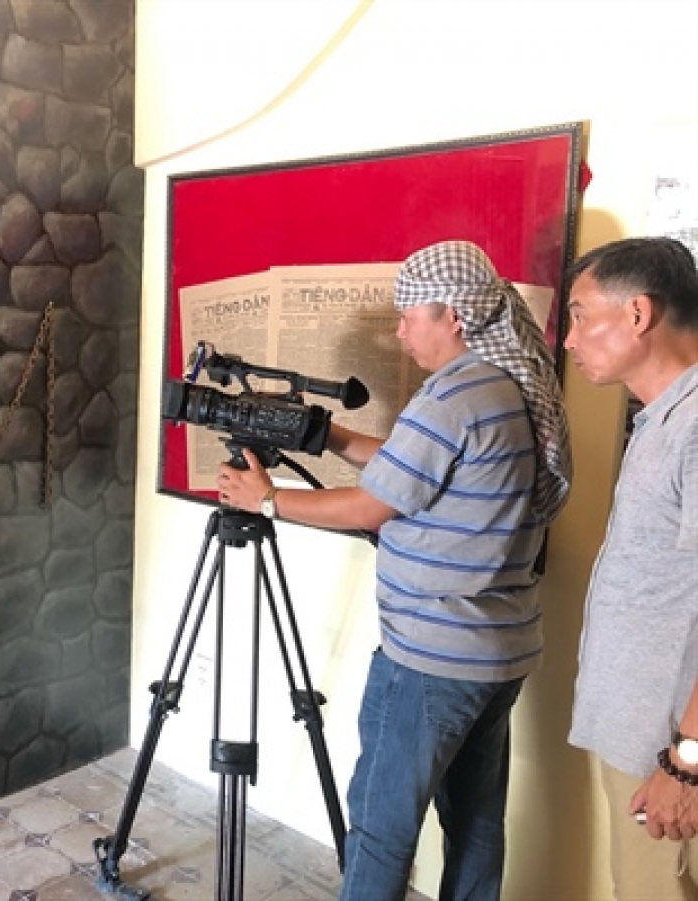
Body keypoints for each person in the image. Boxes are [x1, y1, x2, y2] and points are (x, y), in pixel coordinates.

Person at [217, 240, 572, 901]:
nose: (401, 331)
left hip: (432, 657)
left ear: (454, 316)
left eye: (409, 317)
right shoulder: (497, 386)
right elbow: (417, 462)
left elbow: (373, 505)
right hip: (496, 649)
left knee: (381, 825)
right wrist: (328, 435)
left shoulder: (454, 395)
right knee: (475, 821)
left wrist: (264, 499)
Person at [565, 237, 698, 900]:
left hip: (670, 752)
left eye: (580, 315)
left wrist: (687, 761)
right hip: (648, 738)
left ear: (638, 313)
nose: (570, 339)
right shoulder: (662, 419)